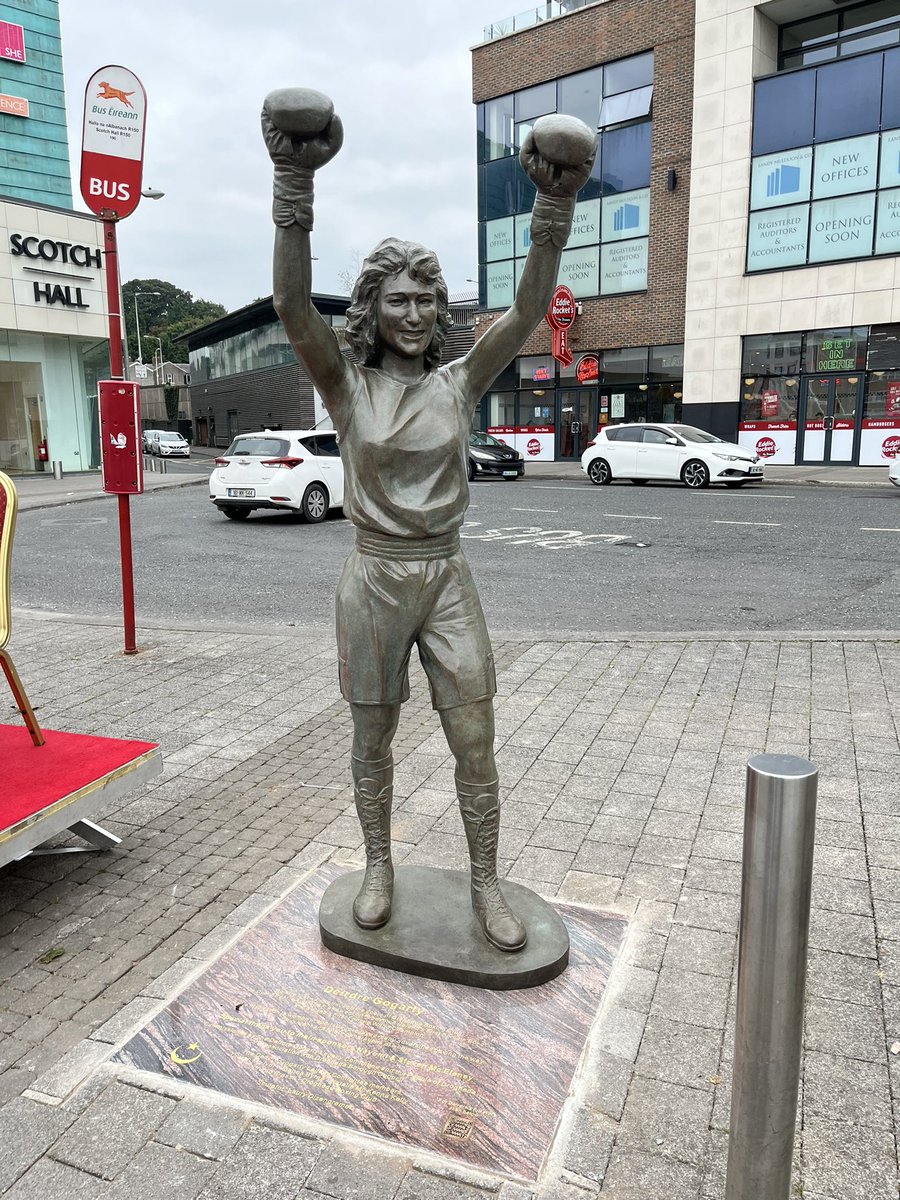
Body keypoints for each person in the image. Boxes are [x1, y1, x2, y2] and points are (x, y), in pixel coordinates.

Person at [262, 89, 595, 953]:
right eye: (396, 301)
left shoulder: (459, 382)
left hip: (445, 573)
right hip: (372, 575)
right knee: (372, 733)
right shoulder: (346, 385)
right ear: (370, 310)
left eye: (425, 300)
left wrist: (552, 206)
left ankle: (486, 880)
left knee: (474, 734)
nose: (412, 315)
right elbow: (295, 309)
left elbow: (525, 312)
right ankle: (378, 865)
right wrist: (292, 186)